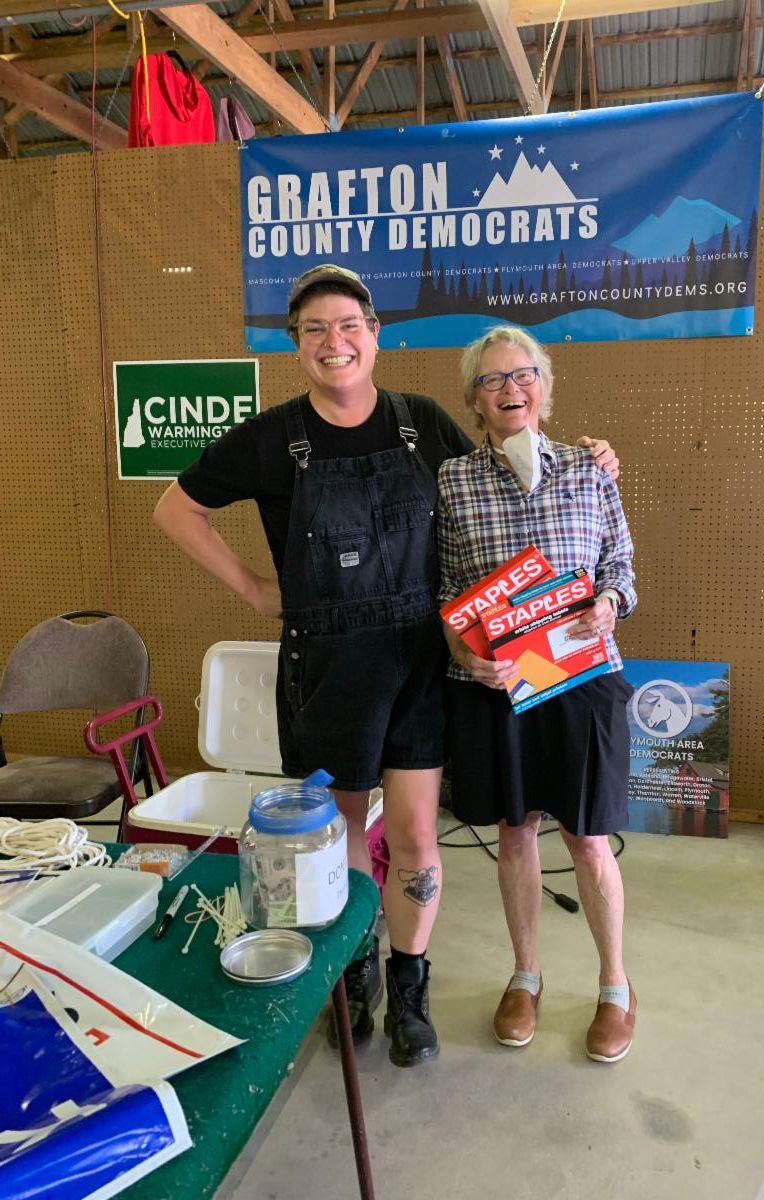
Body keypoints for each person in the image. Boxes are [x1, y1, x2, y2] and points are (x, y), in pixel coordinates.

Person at [154, 266, 619, 1068]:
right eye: (314, 329)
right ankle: (352, 968)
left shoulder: (420, 423)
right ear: (296, 344)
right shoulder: (273, 438)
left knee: (413, 835)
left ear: (374, 335)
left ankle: (409, 984)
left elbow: (504, 471)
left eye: (348, 326)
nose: (333, 342)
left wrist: (585, 455)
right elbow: (176, 507)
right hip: (328, 668)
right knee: (335, 835)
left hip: (417, 663)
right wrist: (255, 589)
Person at [437, 325, 637, 1063]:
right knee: (515, 830)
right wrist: (464, 652)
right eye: (492, 380)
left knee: (587, 836)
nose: (510, 388)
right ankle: (526, 976)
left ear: (545, 389)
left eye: (523, 375)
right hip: (498, 686)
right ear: (474, 400)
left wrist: (610, 602)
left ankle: (615, 985)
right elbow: (445, 589)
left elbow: (620, 563)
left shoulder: (589, 468)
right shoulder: (453, 480)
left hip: (582, 677)